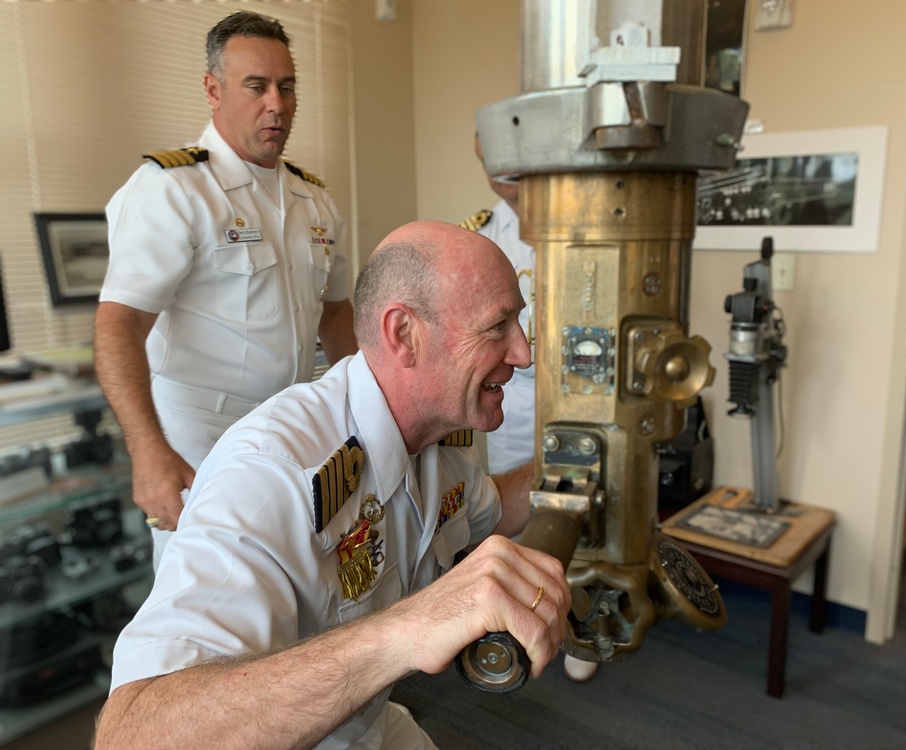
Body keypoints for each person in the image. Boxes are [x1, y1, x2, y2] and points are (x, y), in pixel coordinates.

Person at [94, 221, 571, 750]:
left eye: (518, 323)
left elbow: (484, 511)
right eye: (497, 327)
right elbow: (133, 737)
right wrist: (410, 628)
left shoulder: (439, 436)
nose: (523, 354)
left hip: (362, 721)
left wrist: (563, 480)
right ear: (404, 334)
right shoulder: (272, 474)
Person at [94, 11, 357, 566]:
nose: (277, 105)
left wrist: (364, 410)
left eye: (287, 87)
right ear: (213, 90)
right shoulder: (175, 190)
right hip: (199, 435)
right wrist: (148, 452)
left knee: (297, 582)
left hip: (293, 425)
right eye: (256, 86)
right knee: (207, 600)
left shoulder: (314, 200)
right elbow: (120, 323)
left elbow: (335, 316)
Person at [464, 132, 599, 684]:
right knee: (512, 518)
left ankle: (587, 624)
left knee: (588, 515)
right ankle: (523, 620)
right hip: (510, 406)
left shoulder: (585, 220)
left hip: (580, 400)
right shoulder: (481, 236)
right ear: (483, 157)